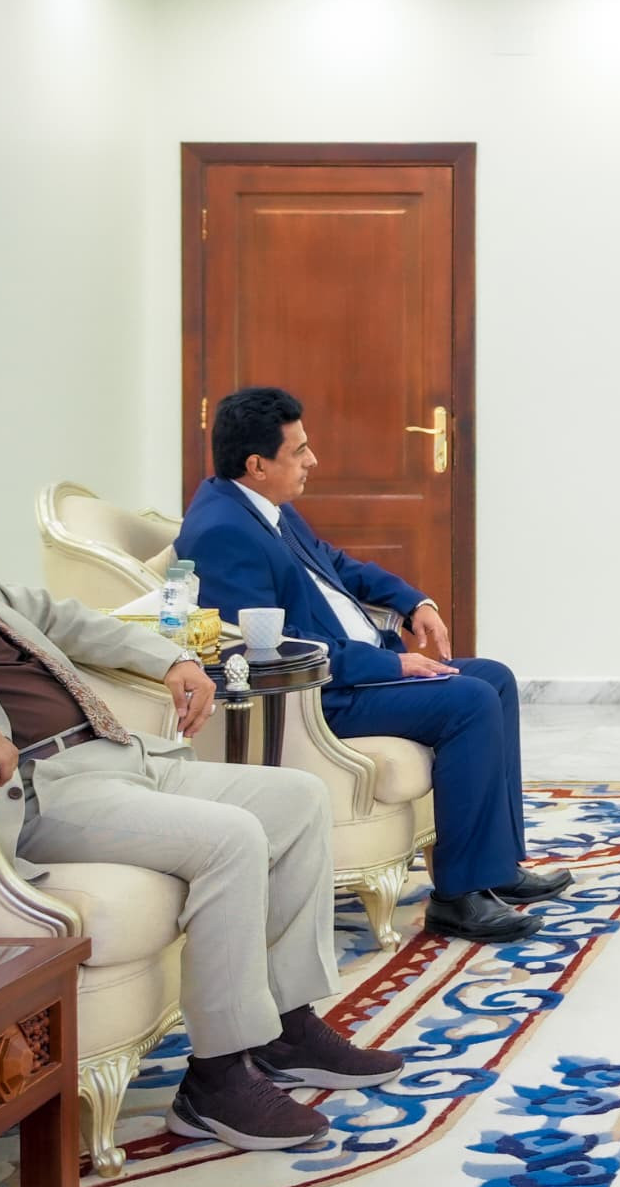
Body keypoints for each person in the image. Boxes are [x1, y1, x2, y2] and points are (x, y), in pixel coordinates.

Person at [0, 435, 400, 1151]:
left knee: (299, 799)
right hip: (43, 790)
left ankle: (285, 1026)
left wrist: (169, 660)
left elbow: (66, 619)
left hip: (116, 756)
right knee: (232, 838)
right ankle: (217, 1081)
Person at [177, 388, 559, 945]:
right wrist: (391, 663)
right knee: (470, 699)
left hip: (357, 666)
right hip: (323, 692)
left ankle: (495, 868)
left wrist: (413, 601)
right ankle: (457, 899)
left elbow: (334, 564)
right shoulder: (221, 532)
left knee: (493, 678)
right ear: (257, 465)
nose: (312, 461)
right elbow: (277, 646)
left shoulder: (259, 506)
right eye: (299, 451)